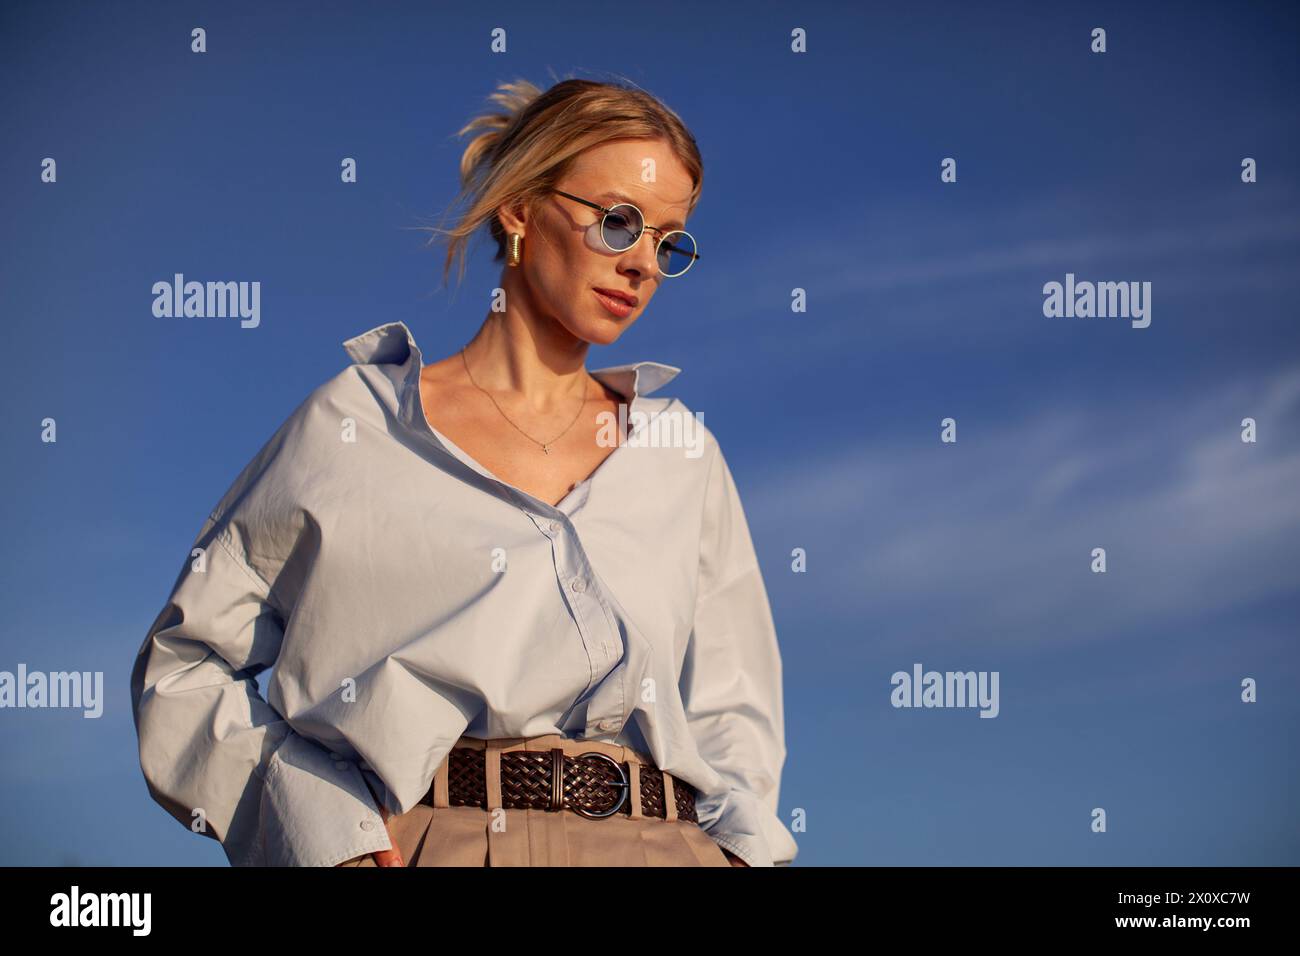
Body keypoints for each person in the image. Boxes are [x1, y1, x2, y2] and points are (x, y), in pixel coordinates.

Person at [130, 76, 798, 868]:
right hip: (430, 841)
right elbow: (185, 666)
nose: (643, 263)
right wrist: (317, 830)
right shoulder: (355, 424)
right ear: (519, 207)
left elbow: (736, 707)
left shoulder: (682, 451)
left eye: (667, 240)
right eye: (618, 222)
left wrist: (736, 855)